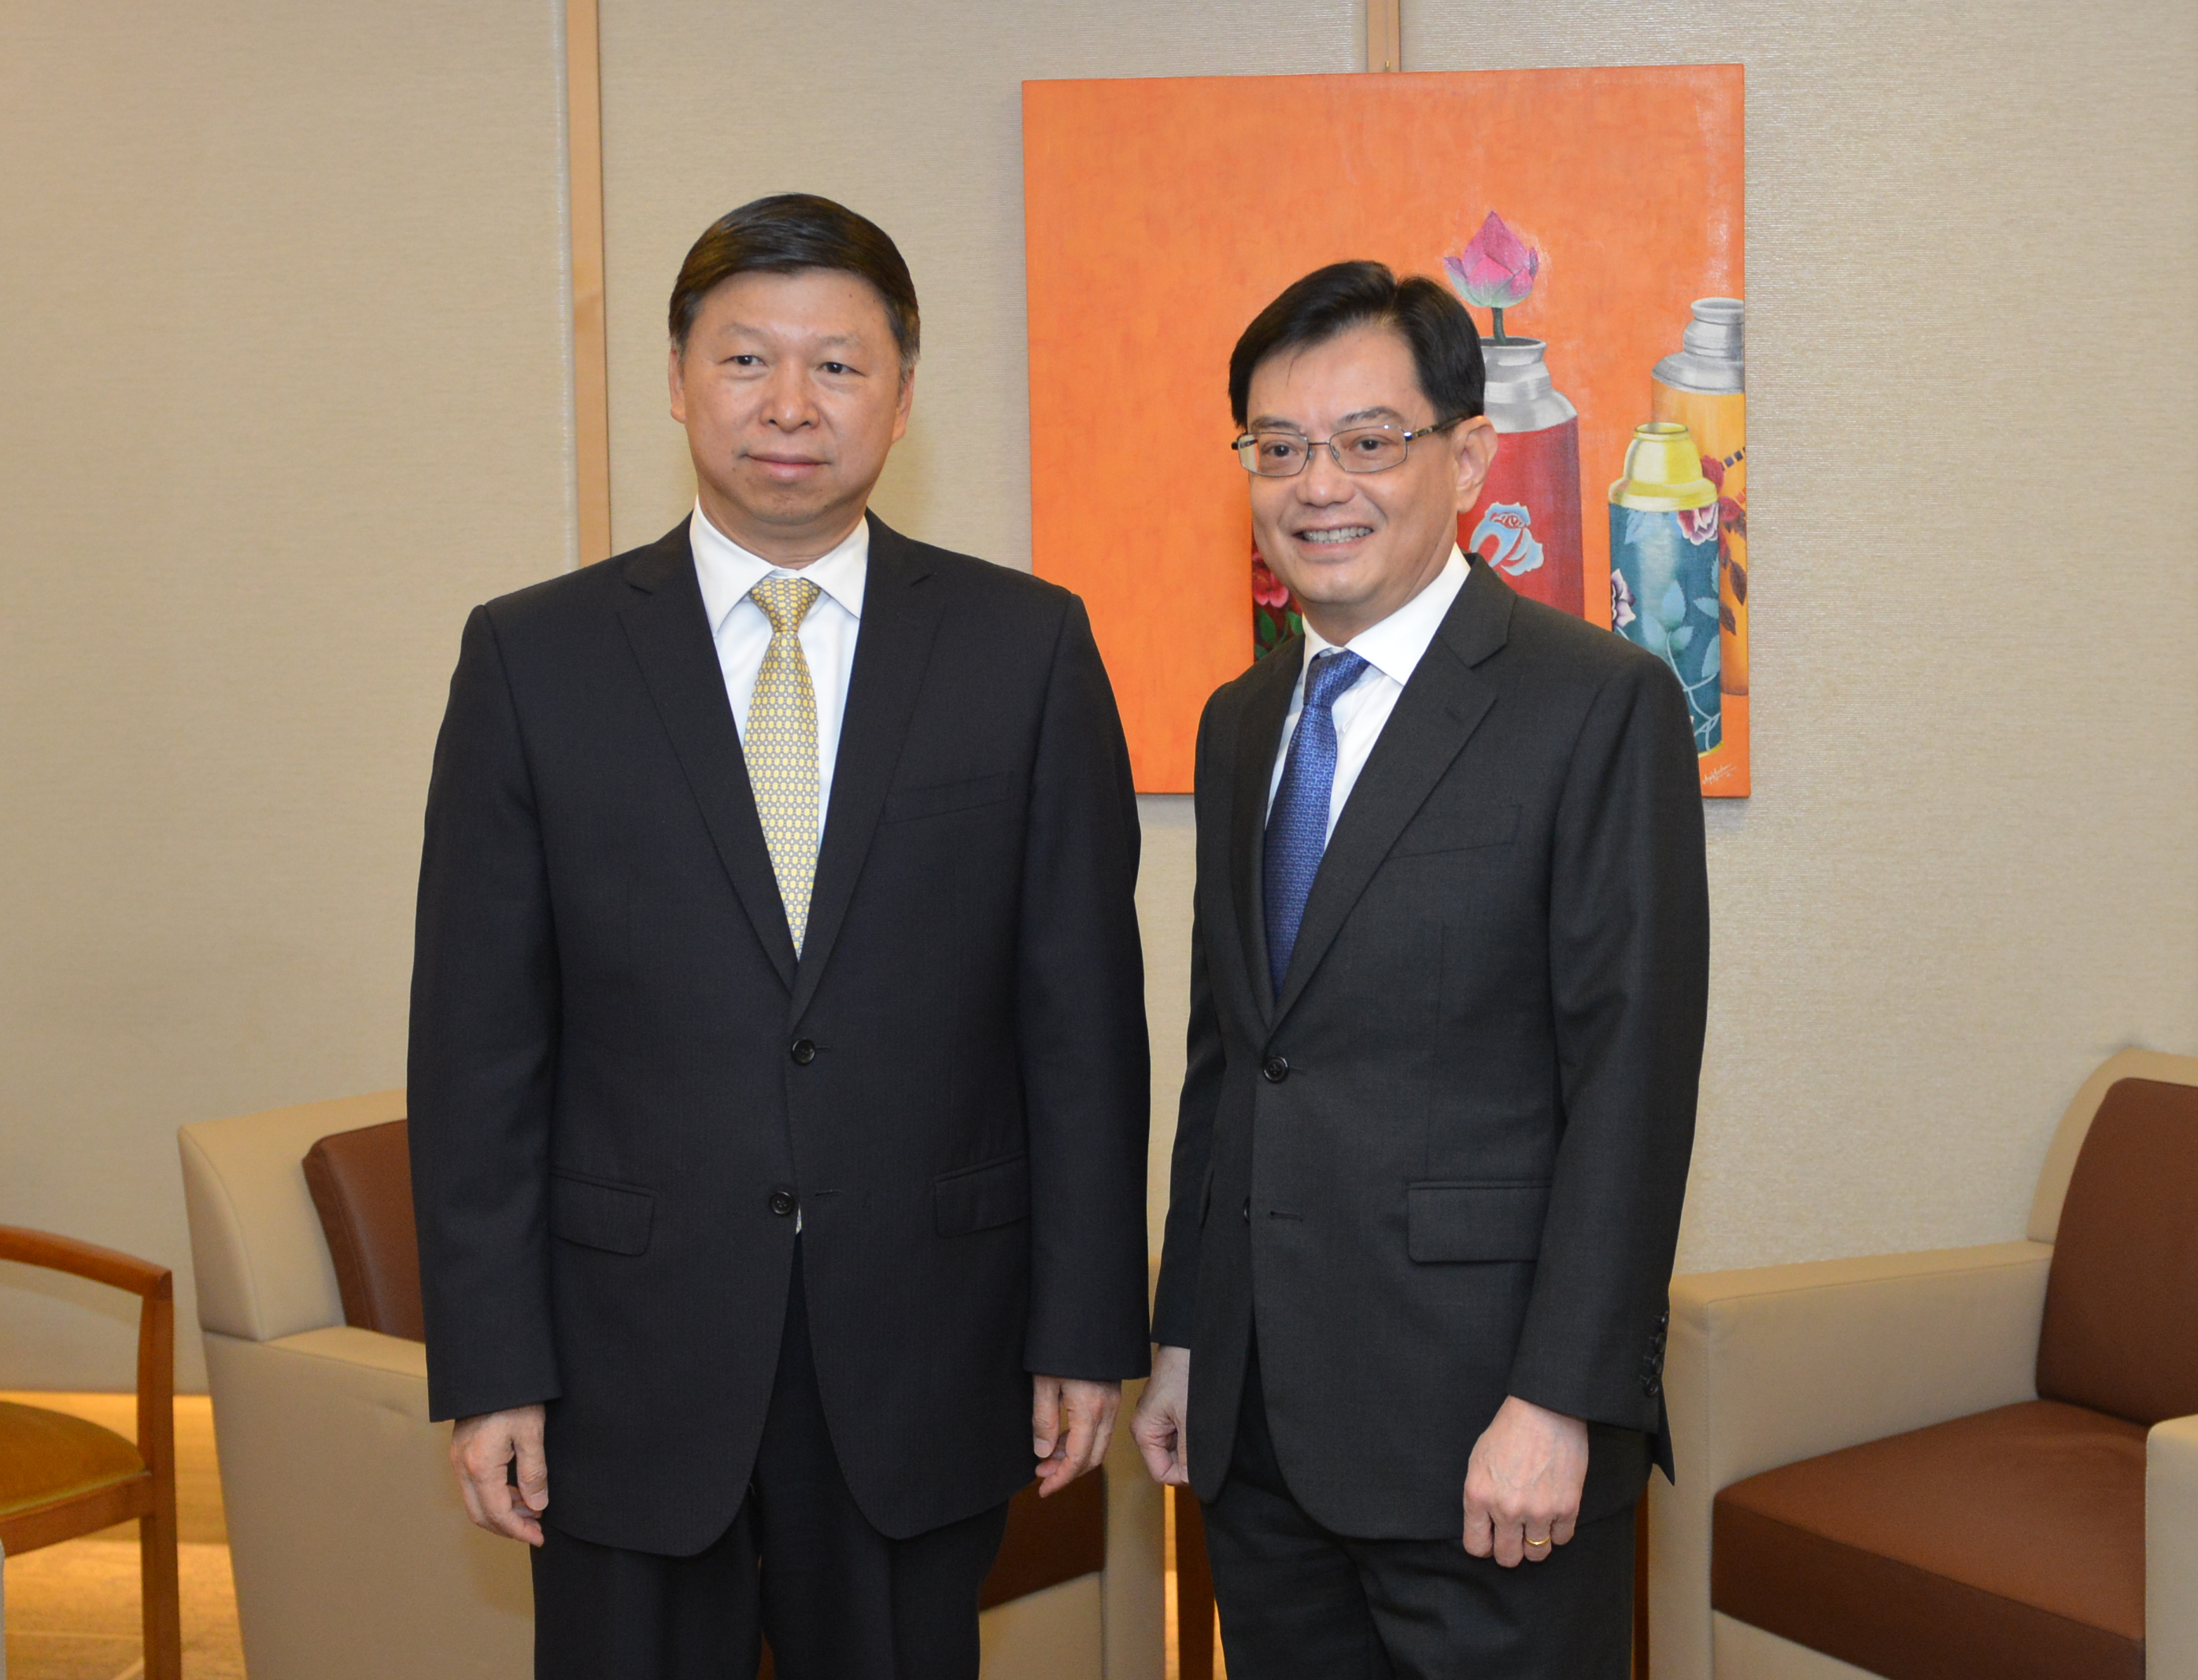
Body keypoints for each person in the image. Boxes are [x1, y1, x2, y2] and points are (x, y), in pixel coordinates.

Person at [408, 193, 1151, 1680]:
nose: (791, 406)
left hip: (923, 1340)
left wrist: (1083, 1325)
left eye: (839, 364)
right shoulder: (532, 657)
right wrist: (489, 1369)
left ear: (902, 395)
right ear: (678, 380)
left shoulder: (1027, 648)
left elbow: (1080, 1023)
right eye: (748, 361)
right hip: (625, 1357)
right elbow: (479, 1044)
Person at [1131, 260, 1710, 1678]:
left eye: (1368, 440)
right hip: (1260, 1432)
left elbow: (1630, 1082)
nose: (1318, 484)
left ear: (1466, 455)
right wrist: (1191, 1337)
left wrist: (1562, 1399)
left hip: (1487, 1439)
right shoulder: (1241, 716)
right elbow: (1234, 1053)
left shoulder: (1600, 704)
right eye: (1279, 447)